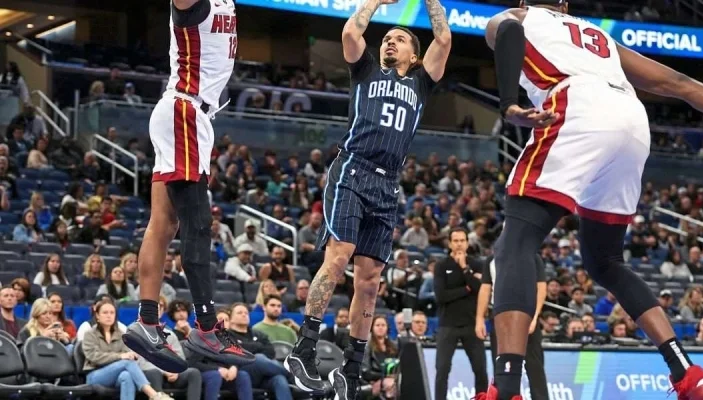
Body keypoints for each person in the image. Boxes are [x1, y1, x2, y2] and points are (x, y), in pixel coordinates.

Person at [478, 1, 703, 399]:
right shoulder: (599, 39)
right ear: (565, 6)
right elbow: (678, 83)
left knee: (516, 244)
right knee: (605, 262)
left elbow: (507, 31)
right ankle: (688, 372)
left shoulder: (522, 16)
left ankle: (506, 387)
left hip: (577, 106)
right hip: (631, 120)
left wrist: (508, 104)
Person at [285, 0, 452, 397]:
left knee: (371, 280)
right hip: (353, 169)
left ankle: (352, 369)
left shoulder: (421, 82)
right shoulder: (365, 70)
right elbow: (350, 33)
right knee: (339, 255)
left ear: (415, 56)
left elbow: (444, 39)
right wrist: (375, 2)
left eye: (399, 39)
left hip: (388, 184)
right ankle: (303, 350)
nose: (390, 42)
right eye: (387, 39)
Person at [122, 0, 254, 373]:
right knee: (197, 224)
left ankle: (148, 322)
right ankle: (207, 327)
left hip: (186, 113)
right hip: (185, 111)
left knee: (164, 224)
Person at [476, 255, 548, 400]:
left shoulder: (532, 257)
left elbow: (541, 287)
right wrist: (479, 319)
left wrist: (535, 316)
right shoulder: (491, 260)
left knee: (535, 367)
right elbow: (485, 288)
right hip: (500, 318)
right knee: (501, 367)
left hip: (526, 315)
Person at [432, 228, 487, 400]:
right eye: (455, 241)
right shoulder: (441, 266)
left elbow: (481, 290)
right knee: (442, 369)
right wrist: (467, 289)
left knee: (480, 369)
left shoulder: (477, 264)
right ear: (449, 244)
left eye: (462, 240)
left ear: (467, 243)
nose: (459, 244)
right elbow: (441, 296)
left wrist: (464, 268)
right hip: (448, 324)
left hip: (472, 323)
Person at [82, 300, 172, 400]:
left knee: (126, 376)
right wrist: (120, 356)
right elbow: (94, 357)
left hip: (117, 373)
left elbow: (126, 354)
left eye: (112, 313)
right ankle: (153, 394)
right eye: (105, 312)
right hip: (95, 375)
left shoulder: (121, 334)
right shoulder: (90, 334)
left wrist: (131, 355)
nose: (109, 316)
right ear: (97, 316)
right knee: (127, 363)